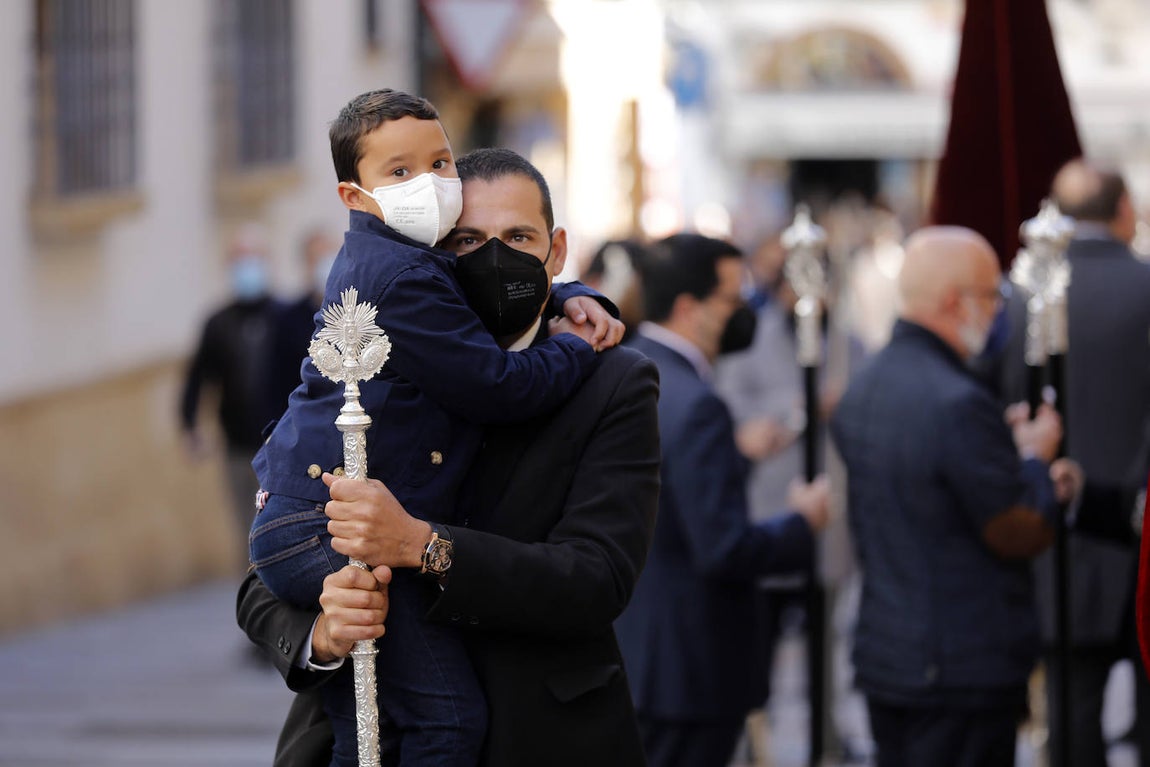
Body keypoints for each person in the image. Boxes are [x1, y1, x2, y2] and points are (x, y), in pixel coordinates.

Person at [237, 146, 659, 767]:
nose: (494, 258)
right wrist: (323, 635)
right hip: (371, 733)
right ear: (433, 250)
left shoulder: (612, 381)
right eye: (466, 241)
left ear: (557, 249)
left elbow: (597, 578)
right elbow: (264, 569)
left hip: (539, 734)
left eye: (518, 236)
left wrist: (421, 546)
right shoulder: (375, 358)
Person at [830, 226, 1075, 767]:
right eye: (991, 296)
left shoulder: (868, 382)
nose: (997, 312)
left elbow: (930, 483)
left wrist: (1001, 455)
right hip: (959, 667)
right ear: (953, 301)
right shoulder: (956, 400)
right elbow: (1015, 529)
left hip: (890, 658)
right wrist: (1035, 461)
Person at [613, 232, 831, 767]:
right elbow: (723, 547)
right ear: (690, 307)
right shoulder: (697, 401)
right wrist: (801, 523)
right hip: (689, 666)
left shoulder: (627, 368)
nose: (744, 313)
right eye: (733, 300)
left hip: (637, 652)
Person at [999, 159, 1150, 767]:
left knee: (1070, 717)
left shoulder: (1011, 297)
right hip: (1138, 530)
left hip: (1051, 531)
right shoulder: (1142, 286)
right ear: (1124, 210)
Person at [180, 222, 281, 549]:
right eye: (240, 260)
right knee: (248, 528)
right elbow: (198, 377)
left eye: (252, 258)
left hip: (284, 447)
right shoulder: (218, 323)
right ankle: (256, 595)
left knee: (282, 523)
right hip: (238, 446)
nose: (246, 267)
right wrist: (190, 424)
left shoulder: (285, 317)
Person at [265, 228, 339, 416]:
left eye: (329, 258)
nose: (326, 267)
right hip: (302, 417)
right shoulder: (287, 318)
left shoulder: (357, 313)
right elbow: (276, 382)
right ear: (306, 265)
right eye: (317, 259)